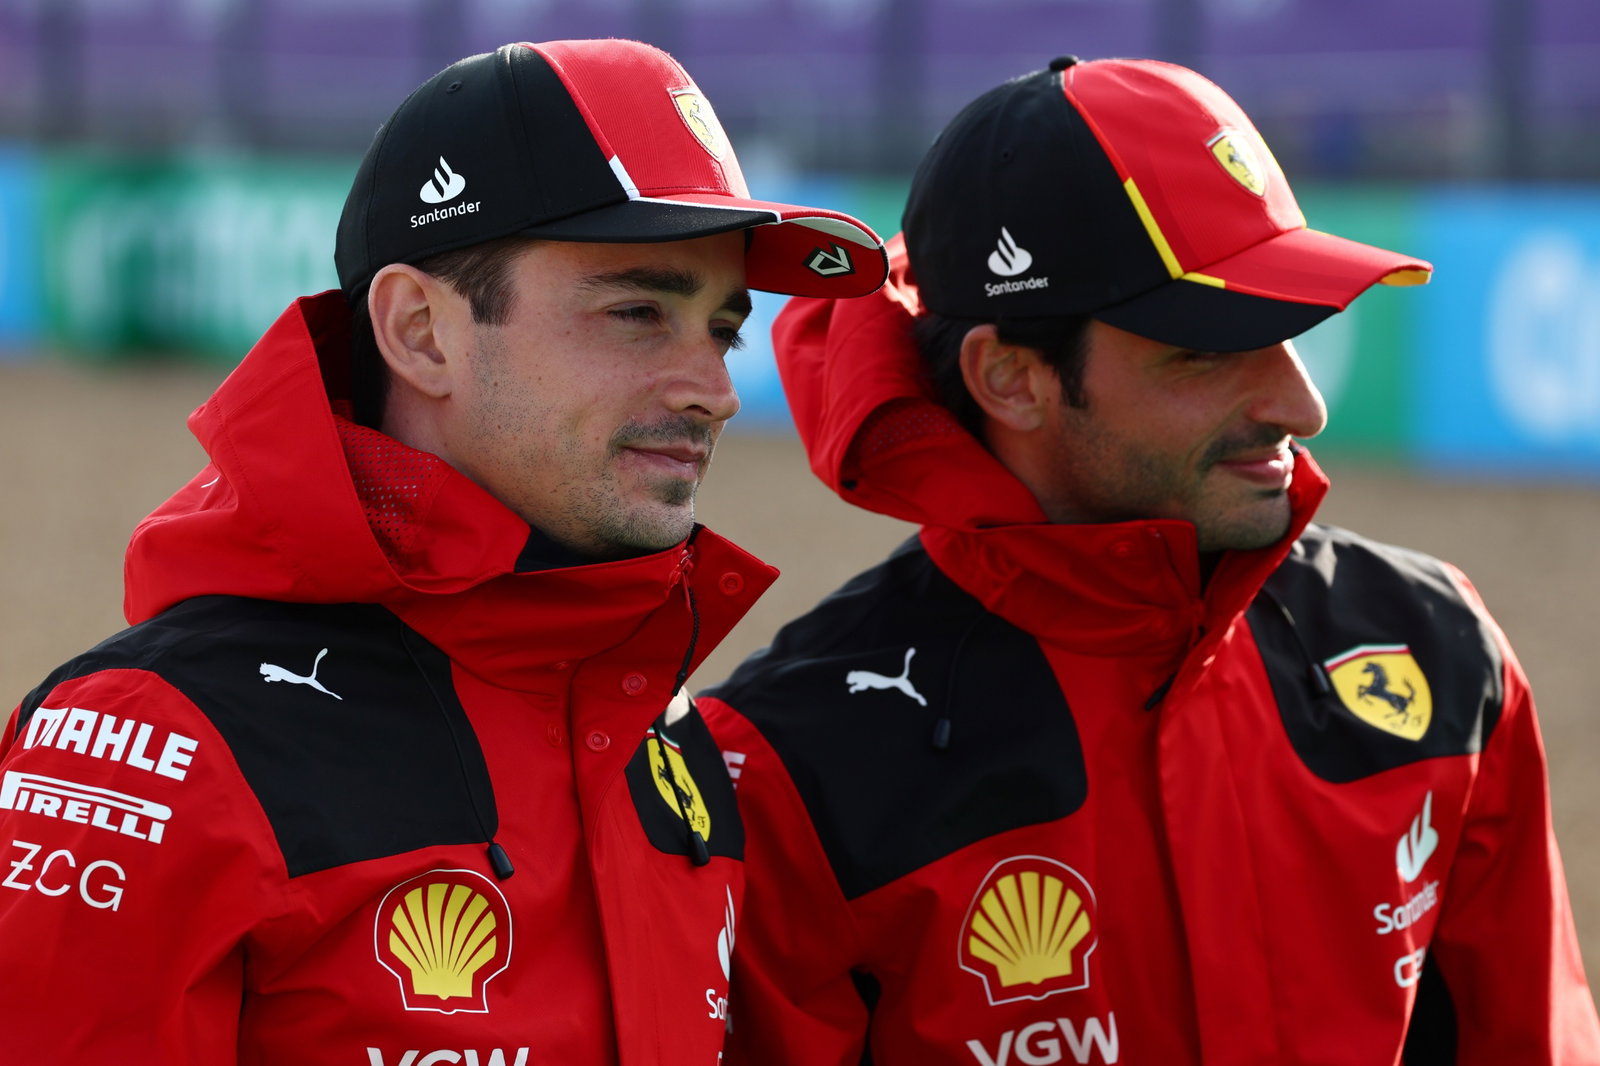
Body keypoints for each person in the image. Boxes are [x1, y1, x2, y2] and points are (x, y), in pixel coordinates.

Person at [698, 55, 1600, 1064]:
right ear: (1011, 378)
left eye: (1293, 329)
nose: (1301, 406)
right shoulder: (787, 766)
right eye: (1208, 351)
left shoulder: (1437, 645)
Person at [0, 39, 887, 1065]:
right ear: (421, 332)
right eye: (638, 313)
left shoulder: (665, 737)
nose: (713, 391)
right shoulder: (152, 748)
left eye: (722, 329)